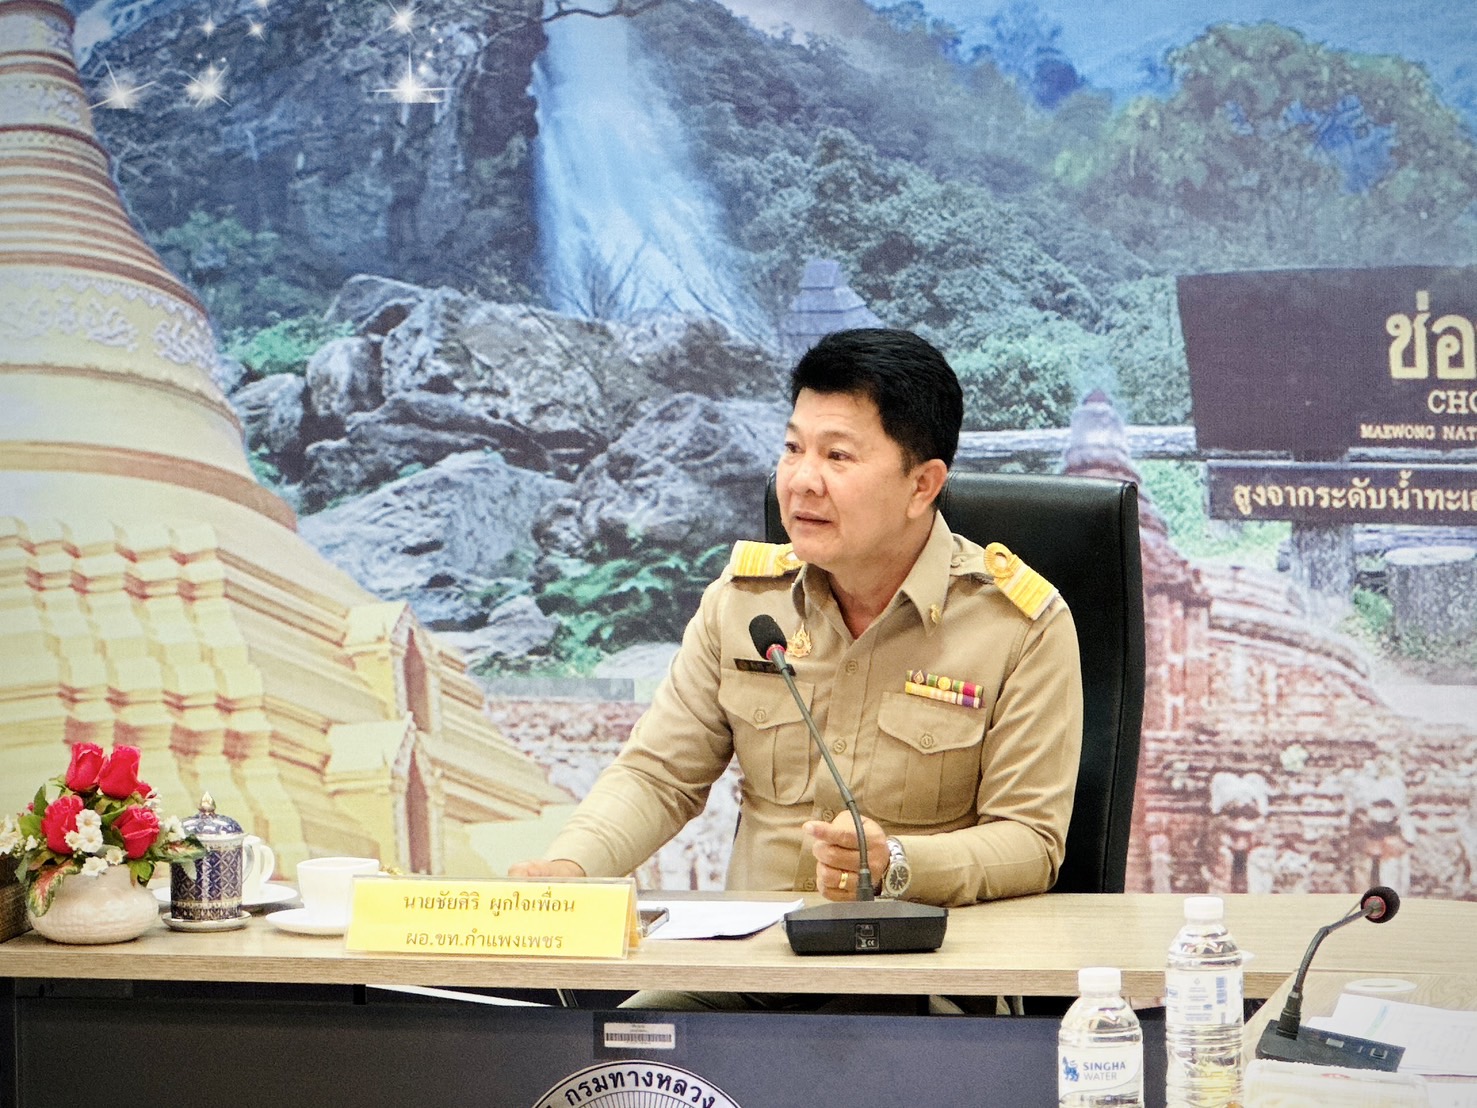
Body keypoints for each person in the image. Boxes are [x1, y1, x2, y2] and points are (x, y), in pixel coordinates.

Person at [512, 328, 1082, 914]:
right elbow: (658, 777)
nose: (801, 480)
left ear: (922, 486)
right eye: (792, 448)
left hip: (923, 956)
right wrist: (569, 868)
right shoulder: (744, 604)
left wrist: (896, 865)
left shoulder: (1019, 626)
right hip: (750, 956)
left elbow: (1030, 840)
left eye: (837, 456)